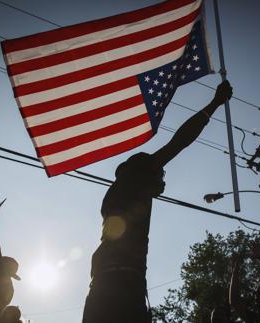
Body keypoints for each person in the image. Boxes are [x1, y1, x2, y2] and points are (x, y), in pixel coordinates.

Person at [82, 81, 233, 323]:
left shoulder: (118, 196)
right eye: (160, 173)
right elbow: (179, 142)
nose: (163, 179)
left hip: (105, 287)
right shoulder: (134, 179)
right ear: (144, 170)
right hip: (122, 289)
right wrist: (214, 103)